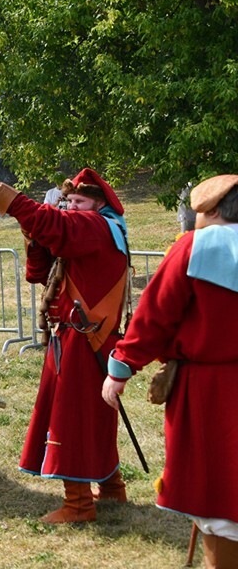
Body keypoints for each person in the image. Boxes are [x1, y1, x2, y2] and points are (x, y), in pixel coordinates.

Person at [0, 167, 130, 523]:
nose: (72, 207)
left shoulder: (97, 226)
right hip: (81, 337)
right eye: (69, 200)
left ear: (100, 205)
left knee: (71, 421)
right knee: (93, 419)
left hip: (82, 339)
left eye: (80, 201)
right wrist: (32, 232)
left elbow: (57, 226)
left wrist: (4, 194)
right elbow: (40, 273)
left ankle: (78, 505)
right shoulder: (91, 230)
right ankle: (111, 488)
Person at [103, 174, 238, 566]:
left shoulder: (193, 249)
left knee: (218, 492)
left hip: (211, 392)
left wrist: (120, 368)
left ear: (210, 211)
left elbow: (154, 318)